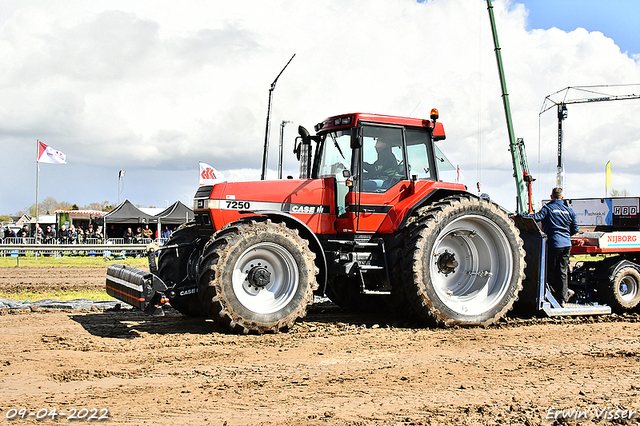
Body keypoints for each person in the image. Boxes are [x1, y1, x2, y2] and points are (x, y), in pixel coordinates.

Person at [521, 187, 579, 306]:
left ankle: (552, 295)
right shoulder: (569, 211)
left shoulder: (548, 208)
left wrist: (520, 216)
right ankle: (562, 299)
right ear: (562, 197)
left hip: (553, 243)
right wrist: (566, 236)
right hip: (566, 244)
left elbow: (535, 218)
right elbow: (575, 229)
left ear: (551, 196)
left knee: (550, 270)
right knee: (562, 271)